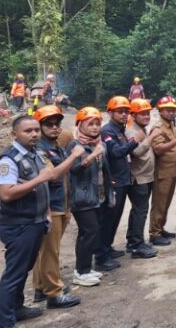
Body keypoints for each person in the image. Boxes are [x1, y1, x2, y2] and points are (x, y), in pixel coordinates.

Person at [0, 115, 56, 327]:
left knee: (23, 269)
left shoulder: (35, 153)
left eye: (36, 130)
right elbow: (7, 194)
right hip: (18, 225)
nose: (35, 134)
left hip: (35, 222)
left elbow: (43, 187)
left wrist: (46, 213)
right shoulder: (8, 160)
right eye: (28, 131)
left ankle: (17, 308)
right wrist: (40, 178)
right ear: (14, 134)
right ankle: (5, 322)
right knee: (13, 274)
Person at [31, 106, 82, 309]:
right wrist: (74, 156)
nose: (55, 128)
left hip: (61, 204)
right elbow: (53, 176)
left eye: (57, 124)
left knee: (46, 250)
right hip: (50, 207)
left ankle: (41, 287)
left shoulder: (56, 146)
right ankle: (53, 292)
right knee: (50, 251)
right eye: (49, 124)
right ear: (40, 126)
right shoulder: (41, 149)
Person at [68, 107, 115, 287]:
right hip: (82, 197)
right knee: (88, 232)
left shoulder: (97, 143)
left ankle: (86, 268)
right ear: (80, 125)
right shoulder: (75, 145)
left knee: (91, 232)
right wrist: (92, 156)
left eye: (97, 124)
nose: (95, 128)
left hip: (97, 194)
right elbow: (73, 170)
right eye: (91, 124)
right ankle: (80, 271)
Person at [95, 96, 141, 271]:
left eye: (125, 112)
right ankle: (101, 256)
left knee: (114, 218)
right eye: (120, 112)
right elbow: (116, 152)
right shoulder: (108, 131)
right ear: (110, 113)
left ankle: (107, 247)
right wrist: (134, 141)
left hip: (122, 179)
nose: (123, 115)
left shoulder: (119, 130)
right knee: (108, 219)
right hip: (114, 181)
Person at [124, 99, 160, 258]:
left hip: (146, 176)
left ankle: (133, 241)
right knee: (140, 211)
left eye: (148, 114)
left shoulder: (142, 129)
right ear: (134, 115)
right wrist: (151, 137)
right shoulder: (132, 131)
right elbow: (137, 152)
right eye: (142, 114)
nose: (146, 117)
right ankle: (137, 245)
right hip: (139, 178)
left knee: (138, 210)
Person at [149, 96, 176, 246]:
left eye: (173, 110)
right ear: (160, 111)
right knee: (159, 203)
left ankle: (160, 228)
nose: (171, 113)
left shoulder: (170, 125)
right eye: (168, 110)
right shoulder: (158, 128)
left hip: (172, 170)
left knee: (166, 203)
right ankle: (154, 233)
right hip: (163, 172)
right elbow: (158, 149)